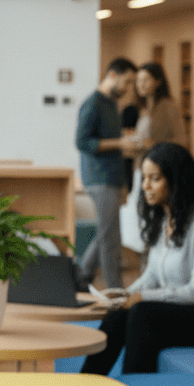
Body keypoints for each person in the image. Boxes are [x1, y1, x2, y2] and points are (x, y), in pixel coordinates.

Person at [81, 142, 194, 374]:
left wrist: (141, 297)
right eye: (144, 178)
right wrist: (122, 296)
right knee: (120, 312)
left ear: (176, 180)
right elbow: (152, 276)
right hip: (184, 309)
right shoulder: (165, 219)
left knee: (142, 313)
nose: (145, 186)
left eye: (154, 178)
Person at [75, 58, 139, 290]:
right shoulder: (93, 103)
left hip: (113, 177)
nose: (128, 88)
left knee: (106, 231)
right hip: (99, 177)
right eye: (127, 81)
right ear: (112, 75)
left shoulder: (112, 105)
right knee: (110, 238)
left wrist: (124, 140)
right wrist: (119, 143)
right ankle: (115, 290)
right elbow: (82, 142)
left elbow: (109, 139)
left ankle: (80, 278)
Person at [120, 64, 183, 253]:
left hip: (160, 170)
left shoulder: (168, 107)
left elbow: (179, 140)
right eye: (138, 80)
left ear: (158, 81)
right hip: (139, 169)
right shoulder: (137, 109)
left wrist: (152, 144)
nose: (141, 84)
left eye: (146, 80)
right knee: (140, 215)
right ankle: (145, 261)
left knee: (156, 215)